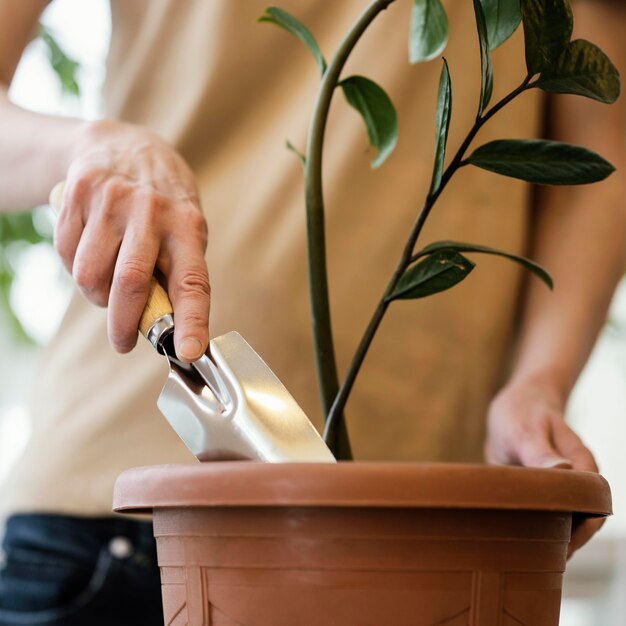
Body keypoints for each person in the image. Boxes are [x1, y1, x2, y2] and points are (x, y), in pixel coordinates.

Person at [0, 0, 624, 624]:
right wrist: (92, 145)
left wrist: (539, 382)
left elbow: (599, 147)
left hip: (431, 527)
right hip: (122, 516)